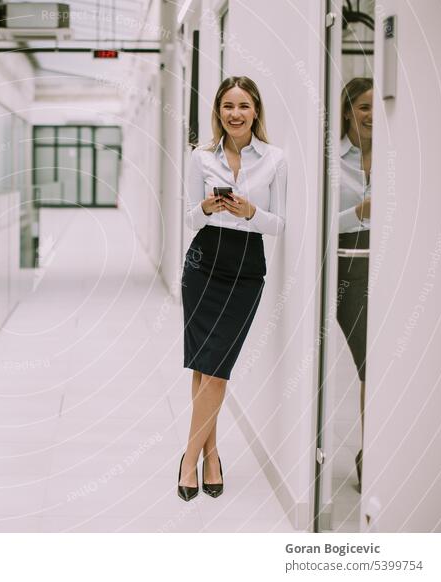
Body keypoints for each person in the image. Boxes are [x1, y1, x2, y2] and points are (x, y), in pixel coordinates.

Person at [177, 76, 287, 501]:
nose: (235, 114)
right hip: (203, 263)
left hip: (245, 266)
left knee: (217, 367)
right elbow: (189, 217)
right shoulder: (201, 157)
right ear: (218, 112)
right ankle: (210, 455)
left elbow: (280, 223)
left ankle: (190, 457)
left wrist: (250, 211)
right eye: (227, 106)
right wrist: (206, 206)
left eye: (243, 106)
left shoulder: (275, 159)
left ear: (255, 110)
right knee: (204, 365)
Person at [337, 77, 372, 492]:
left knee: (381, 367)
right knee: (370, 361)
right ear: (348, 110)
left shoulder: (395, 154)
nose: (372, 115)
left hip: (392, 264)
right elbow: (322, 219)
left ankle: (372, 449)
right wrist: (359, 212)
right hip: (348, 267)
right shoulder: (333, 158)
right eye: (364, 107)